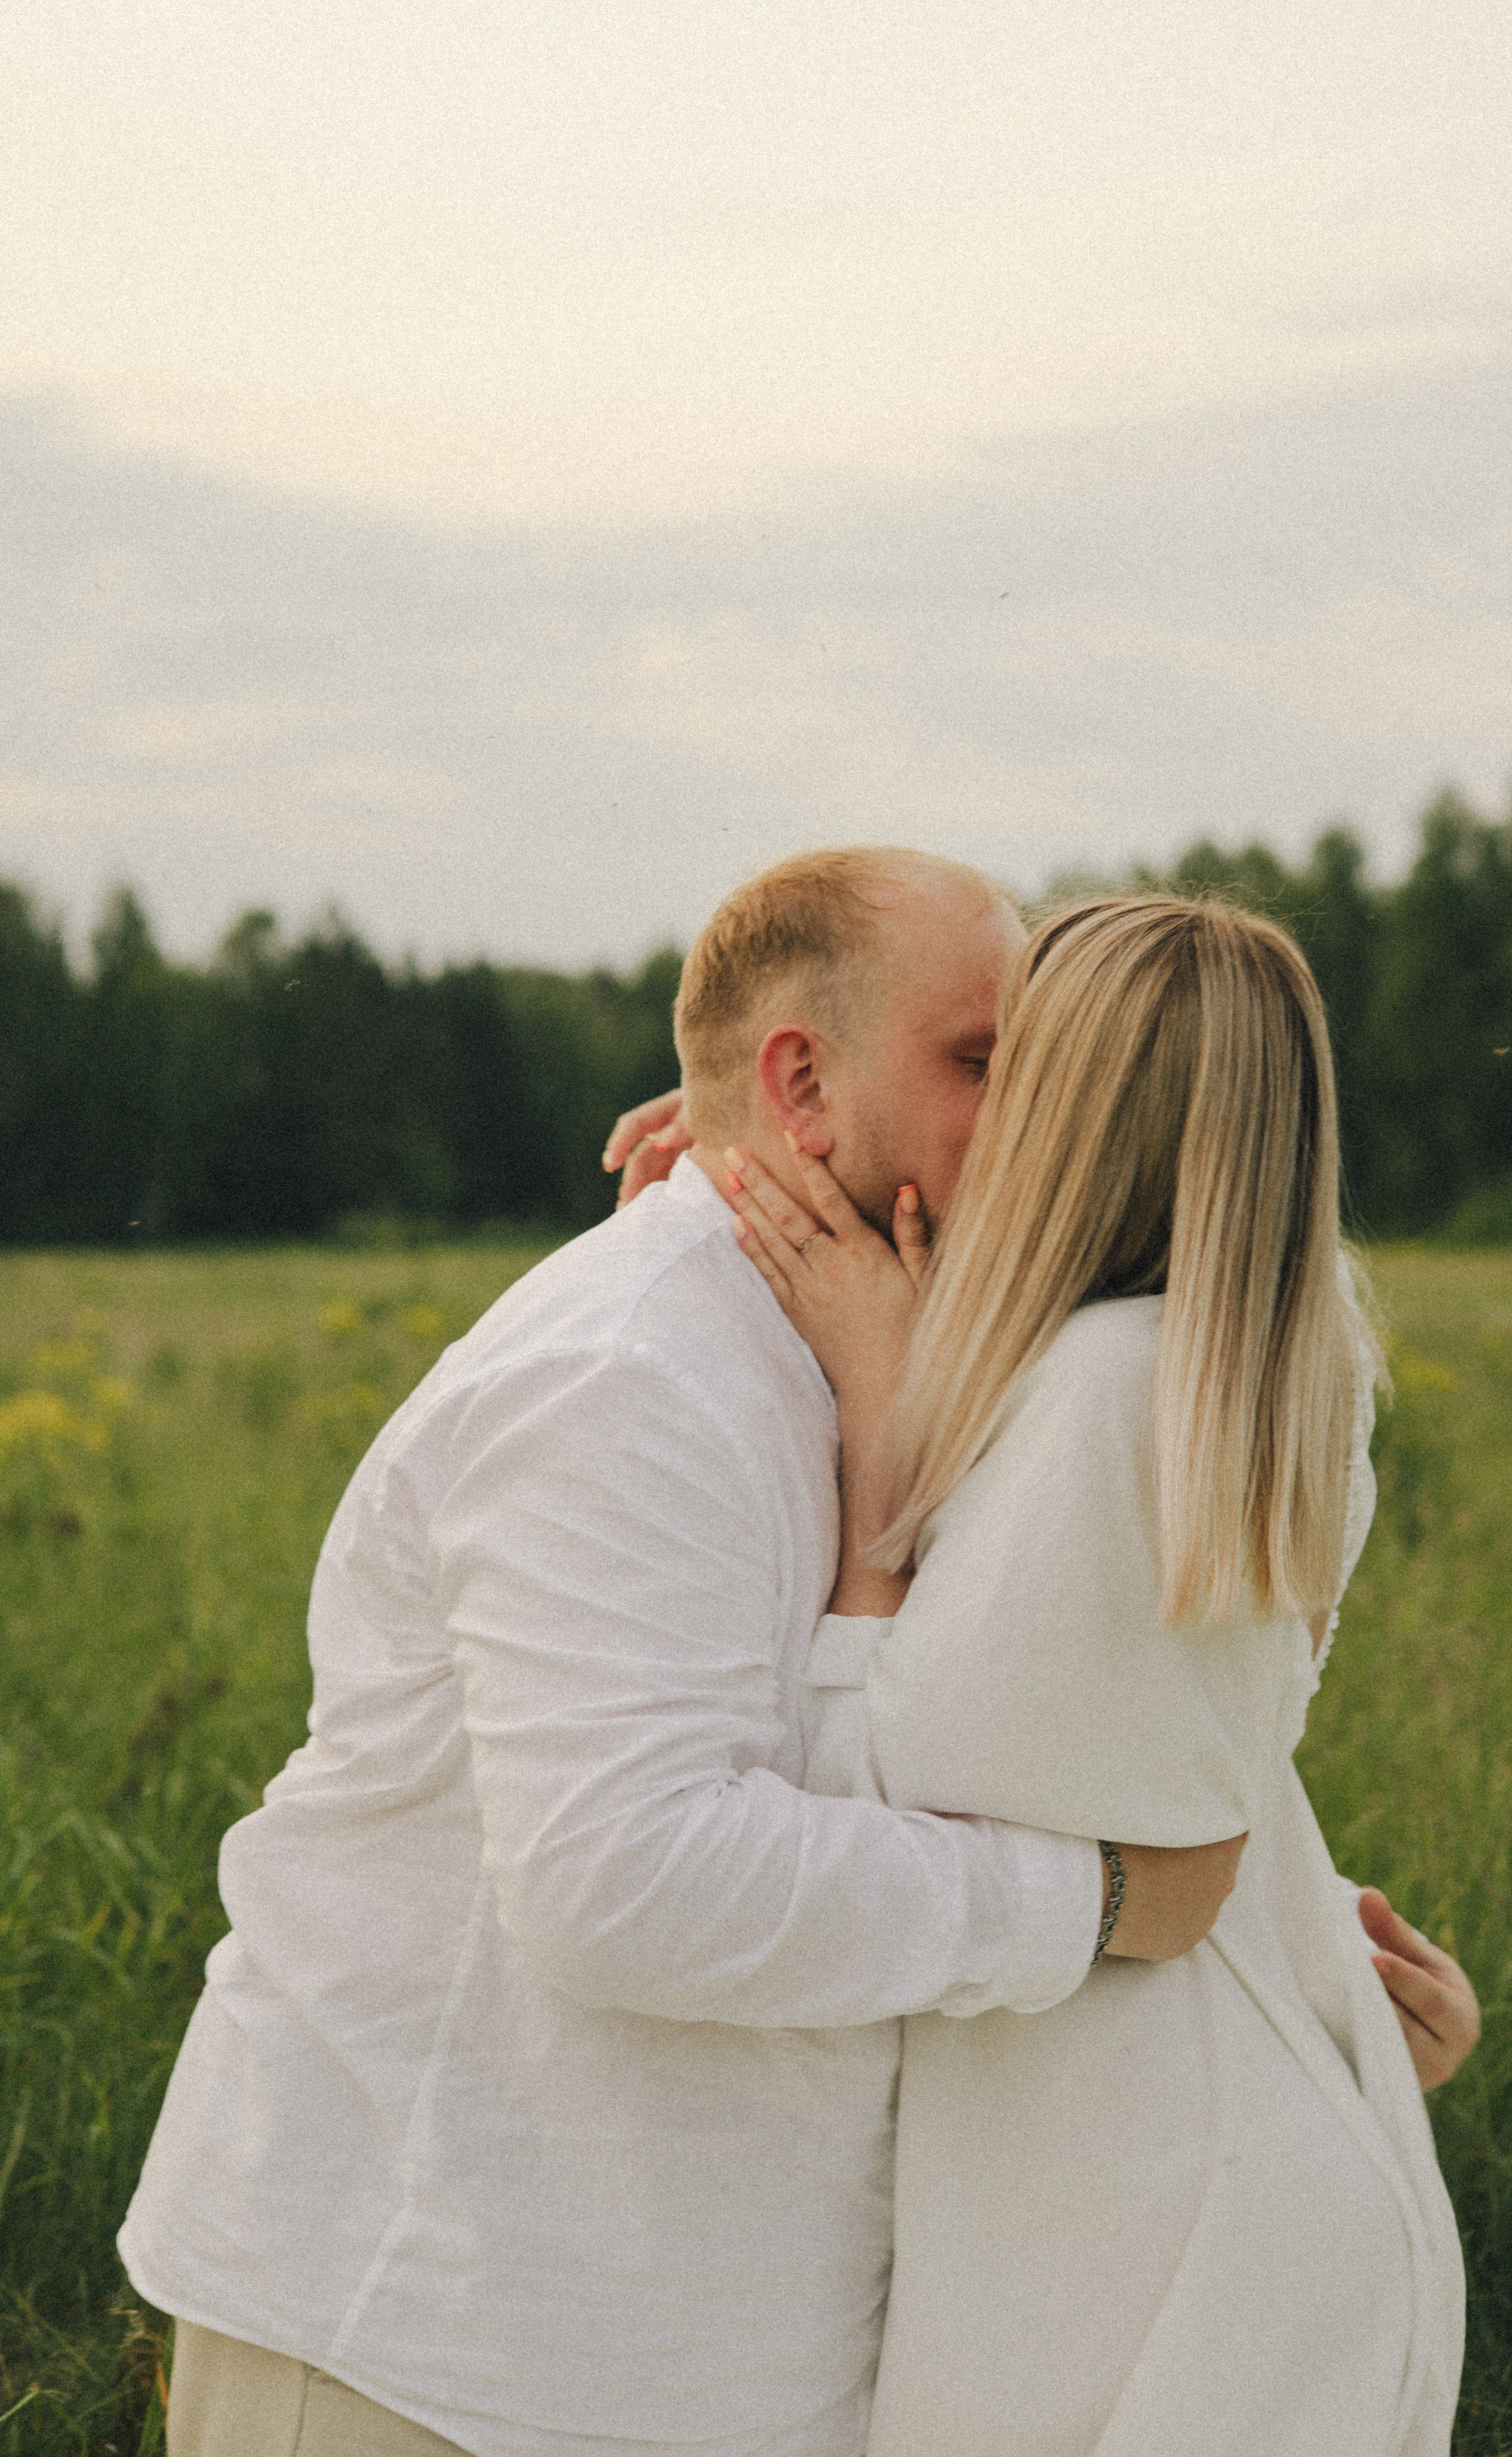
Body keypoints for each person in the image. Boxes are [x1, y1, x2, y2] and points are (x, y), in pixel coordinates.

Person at [120, 849, 1271, 2457]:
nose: (1037, 1116)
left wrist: (1291, 1967)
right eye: (981, 1063)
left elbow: (1042, 1737)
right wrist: (1083, 1906)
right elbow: (626, 1884)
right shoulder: (633, 1372)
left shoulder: (910, 1347)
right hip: (437, 2346)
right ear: (799, 1084)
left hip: (683, 2358)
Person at [716, 892, 1470, 2456]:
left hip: (1134, 2211)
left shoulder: (1095, 1396)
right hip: (1248, 2147)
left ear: (1066, 1113)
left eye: (1008, 1066)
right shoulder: (1268, 1353)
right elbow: (1167, 1763)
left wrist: (878, 1419)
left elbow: (882, 1799)